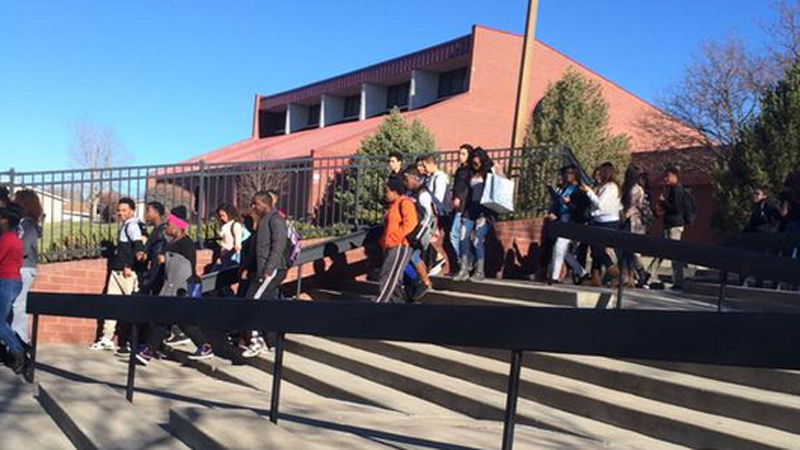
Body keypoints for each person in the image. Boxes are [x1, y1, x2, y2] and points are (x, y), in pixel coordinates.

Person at [90, 197, 144, 351]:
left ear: (132, 211)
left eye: (124, 210)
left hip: (126, 273)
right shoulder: (127, 225)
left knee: (131, 307)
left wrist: (129, 266)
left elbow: (138, 246)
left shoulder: (132, 225)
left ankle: (134, 341)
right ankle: (107, 338)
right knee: (111, 305)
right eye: (119, 210)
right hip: (116, 272)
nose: (121, 213)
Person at [242, 191, 289, 358]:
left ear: (265, 203)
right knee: (265, 303)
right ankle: (272, 342)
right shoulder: (263, 221)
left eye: (256, 204)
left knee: (252, 301)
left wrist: (269, 269)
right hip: (263, 268)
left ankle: (256, 341)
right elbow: (257, 248)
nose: (253, 207)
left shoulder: (276, 219)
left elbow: (278, 246)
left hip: (272, 269)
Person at [454, 147, 497, 282]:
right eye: (474, 161)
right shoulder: (469, 173)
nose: (475, 164)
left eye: (478, 162)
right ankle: (464, 269)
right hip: (469, 210)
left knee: (478, 240)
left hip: (484, 212)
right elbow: (463, 189)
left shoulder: (489, 173)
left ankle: (480, 270)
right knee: (463, 237)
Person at [375, 178, 418, 303]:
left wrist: (395, 237)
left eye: (387, 191)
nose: (385, 194)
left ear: (395, 191)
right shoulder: (393, 206)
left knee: (388, 276)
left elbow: (411, 223)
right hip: (391, 245)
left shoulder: (405, 202)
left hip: (400, 245)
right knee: (394, 277)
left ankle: (382, 301)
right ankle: (399, 303)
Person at [646, 166, 690, 290]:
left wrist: (664, 203)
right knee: (663, 250)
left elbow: (676, 209)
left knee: (673, 253)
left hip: (675, 225)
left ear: (675, 176)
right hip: (670, 224)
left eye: (668, 176)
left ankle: (678, 281)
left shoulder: (677, 190)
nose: (665, 179)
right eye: (665, 176)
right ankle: (648, 275)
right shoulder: (672, 189)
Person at [580, 162, 622, 287]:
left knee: (599, 250)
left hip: (607, 221)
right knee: (595, 250)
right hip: (598, 220)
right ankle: (596, 277)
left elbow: (600, 204)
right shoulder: (600, 186)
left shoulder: (610, 187)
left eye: (600, 173)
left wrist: (589, 192)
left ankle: (613, 270)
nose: (597, 176)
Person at [10, 189, 42, 346]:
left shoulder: (27, 225)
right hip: (22, 269)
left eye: (16, 200)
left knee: (18, 306)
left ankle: (21, 343)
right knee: (15, 306)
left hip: (24, 269)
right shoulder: (23, 224)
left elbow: (23, 248)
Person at [547, 166, 588, 284]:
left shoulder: (579, 190)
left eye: (570, 174)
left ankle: (554, 277)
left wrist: (569, 203)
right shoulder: (566, 188)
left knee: (559, 246)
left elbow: (579, 208)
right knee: (563, 251)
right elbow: (559, 202)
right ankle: (581, 272)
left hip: (572, 220)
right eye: (565, 174)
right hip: (563, 219)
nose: (566, 176)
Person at [0, 206, 27, 376]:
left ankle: (19, 351)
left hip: (6, 282)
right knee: (4, 321)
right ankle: (18, 349)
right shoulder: (13, 237)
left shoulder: (7, 238)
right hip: (11, 281)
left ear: (5, 220)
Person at [403, 166, 435, 299]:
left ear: (415, 177)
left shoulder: (423, 194)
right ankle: (417, 282)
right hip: (409, 232)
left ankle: (425, 282)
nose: (405, 182)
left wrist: (418, 234)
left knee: (412, 257)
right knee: (409, 258)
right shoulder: (410, 193)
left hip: (419, 233)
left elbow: (429, 217)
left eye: (407, 179)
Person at [621, 165, 651, 287]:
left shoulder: (637, 189)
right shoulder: (627, 189)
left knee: (634, 251)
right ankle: (632, 275)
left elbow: (636, 206)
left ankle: (641, 272)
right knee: (627, 250)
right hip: (627, 222)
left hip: (635, 222)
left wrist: (626, 214)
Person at [449, 144, 472, 275]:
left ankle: (465, 261)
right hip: (457, 207)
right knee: (458, 235)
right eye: (459, 153)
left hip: (463, 207)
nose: (460, 156)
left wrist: (459, 198)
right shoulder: (460, 170)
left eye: (463, 154)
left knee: (455, 234)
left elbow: (466, 188)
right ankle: (466, 260)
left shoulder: (469, 171)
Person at [215, 203, 244, 268]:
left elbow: (238, 245)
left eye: (223, 215)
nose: (221, 218)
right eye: (220, 216)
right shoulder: (225, 226)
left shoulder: (235, 225)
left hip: (230, 256)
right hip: (224, 255)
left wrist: (227, 255)